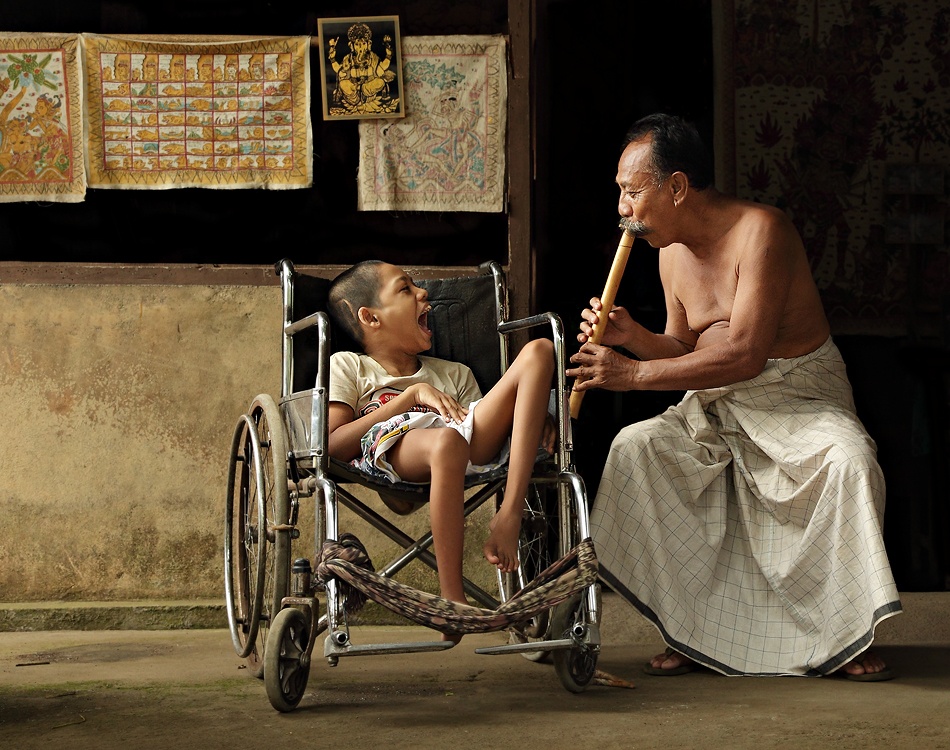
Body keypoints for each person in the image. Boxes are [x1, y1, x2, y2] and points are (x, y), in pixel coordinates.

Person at [566, 113, 902, 680]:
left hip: (796, 401)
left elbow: (745, 354)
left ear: (677, 187)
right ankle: (690, 629)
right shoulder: (668, 249)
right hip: (716, 405)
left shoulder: (763, 232)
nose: (623, 208)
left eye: (632, 192)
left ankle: (846, 635)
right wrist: (633, 337)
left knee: (848, 460)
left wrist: (632, 374)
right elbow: (683, 347)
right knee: (636, 448)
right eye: (620, 193)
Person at [326, 260, 556, 636]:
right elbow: (333, 444)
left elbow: (476, 432)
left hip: (460, 444)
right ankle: (452, 600)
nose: (424, 294)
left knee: (540, 349)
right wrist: (411, 396)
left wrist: (529, 412)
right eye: (405, 289)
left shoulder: (454, 373)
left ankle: (510, 513)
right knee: (447, 440)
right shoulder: (351, 367)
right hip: (389, 450)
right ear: (370, 317)